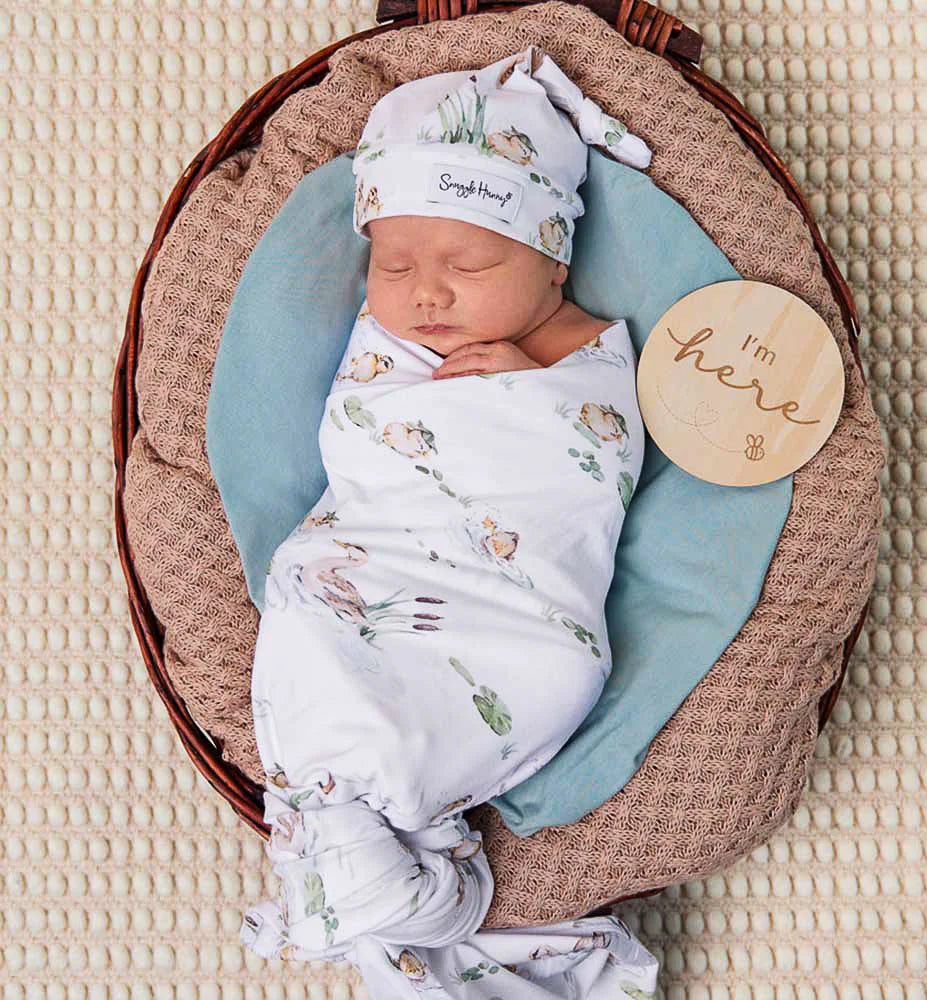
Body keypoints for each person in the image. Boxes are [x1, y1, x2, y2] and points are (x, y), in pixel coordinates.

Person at [241, 45, 658, 1000]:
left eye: (470, 264)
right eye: (394, 266)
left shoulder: (587, 349)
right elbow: (360, 437)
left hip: (513, 603)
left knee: (554, 672)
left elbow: (600, 468)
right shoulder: (391, 338)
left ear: (553, 260)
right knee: (306, 597)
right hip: (380, 553)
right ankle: (368, 824)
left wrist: (526, 391)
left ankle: (362, 843)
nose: (426, 293)